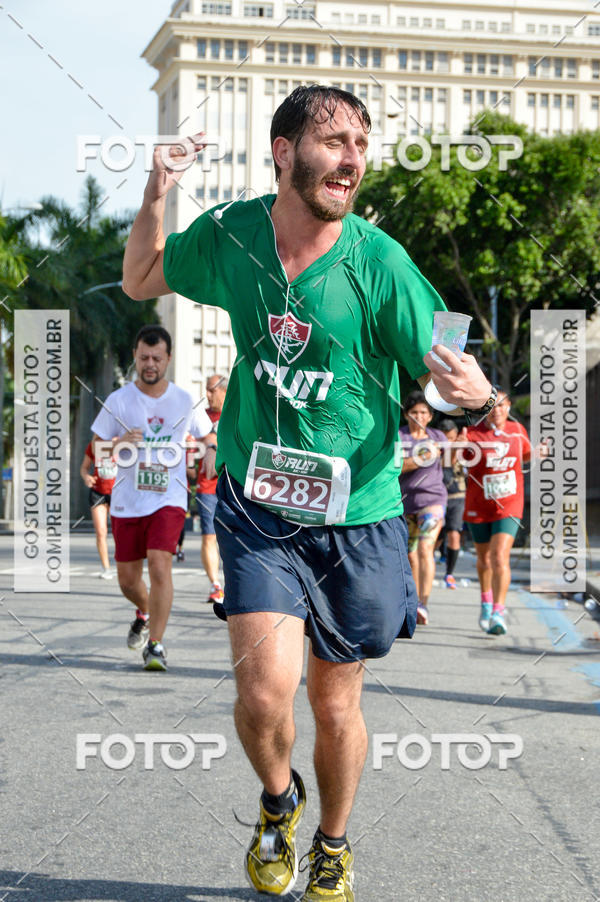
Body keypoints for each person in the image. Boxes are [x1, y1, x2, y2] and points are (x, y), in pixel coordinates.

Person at [122, 85, 494, 899]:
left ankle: (331, 840)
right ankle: (277, 801)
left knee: (334, 705)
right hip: (260, 510)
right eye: (334, 140)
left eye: (362, 143)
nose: (353, 158)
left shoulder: (379, 261)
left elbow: (447, 353)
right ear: (284, 152)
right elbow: (141, 276)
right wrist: (156, 192)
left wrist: (473, 390)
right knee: (263, 690)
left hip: (360, 517)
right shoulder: (235, 235)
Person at [90, 324, 215, 670]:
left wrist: (210, 450)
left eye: (156, 358)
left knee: (160, 564)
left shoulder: (184, 399)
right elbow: (96, 452)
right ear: (134, 356)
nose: (150, 364)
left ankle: (156, 645)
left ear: (168, 359)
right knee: (128, 580)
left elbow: (208, 435)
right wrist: (117, 444)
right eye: (144, 357)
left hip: (169, 498)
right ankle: (143, 612)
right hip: (128, 501)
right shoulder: (119, 401)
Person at [463, 390, 532, 635]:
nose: (497, 411)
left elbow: (526, 455)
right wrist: (458, 446)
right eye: (492, 407)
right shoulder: (471, 434)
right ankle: (485, 601)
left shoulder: (518, 431)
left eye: (502, 406)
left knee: (499, 556)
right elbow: (456, 460)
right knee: (484, 560)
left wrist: (541, 452)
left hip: (510, 503)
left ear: (509, 407)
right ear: (486, 410)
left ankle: (498, 612)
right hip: (479, 505)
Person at [398, 391, 447, 624]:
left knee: (426, 549)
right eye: (414, 412)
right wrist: (421, 459)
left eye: (424, 412)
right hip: (405, 504)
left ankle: (423, 604)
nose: (419, 416)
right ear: (407, 414)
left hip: (433, 501)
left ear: (430, 416)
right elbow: (395, 468)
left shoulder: (438, 436)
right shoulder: (399, 437)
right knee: (410, 554)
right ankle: (414, 600)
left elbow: (453, 460)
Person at [187, 374, 228, 603]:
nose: (207, 395)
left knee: (233, 538)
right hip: (205, 485)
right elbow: (190, 449)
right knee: (208, 537)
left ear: (223, 390)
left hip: (233, 486)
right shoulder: (200, 417)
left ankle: (235, 583)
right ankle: (215, 585)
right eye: (206, 390)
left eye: (212, 390)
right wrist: (189, 461)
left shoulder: (236, 411)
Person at [79, 439, 117, 579]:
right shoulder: (94, 444)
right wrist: (86, 477)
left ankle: (124, 565)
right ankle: (106, 568)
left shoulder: (122, 442)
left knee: (120, 531)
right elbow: (84, 468)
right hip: (98, 492)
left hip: (117, 493)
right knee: (101, 532)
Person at [438, 418, 467, 590]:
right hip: (438, 499)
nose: (450, 442)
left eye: (452, 438)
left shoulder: (466, 451)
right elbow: (447, 461)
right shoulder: (436, 452)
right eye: (446, 439)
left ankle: (450, 574)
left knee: (454, 535)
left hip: (458, 497)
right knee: (435, 538)